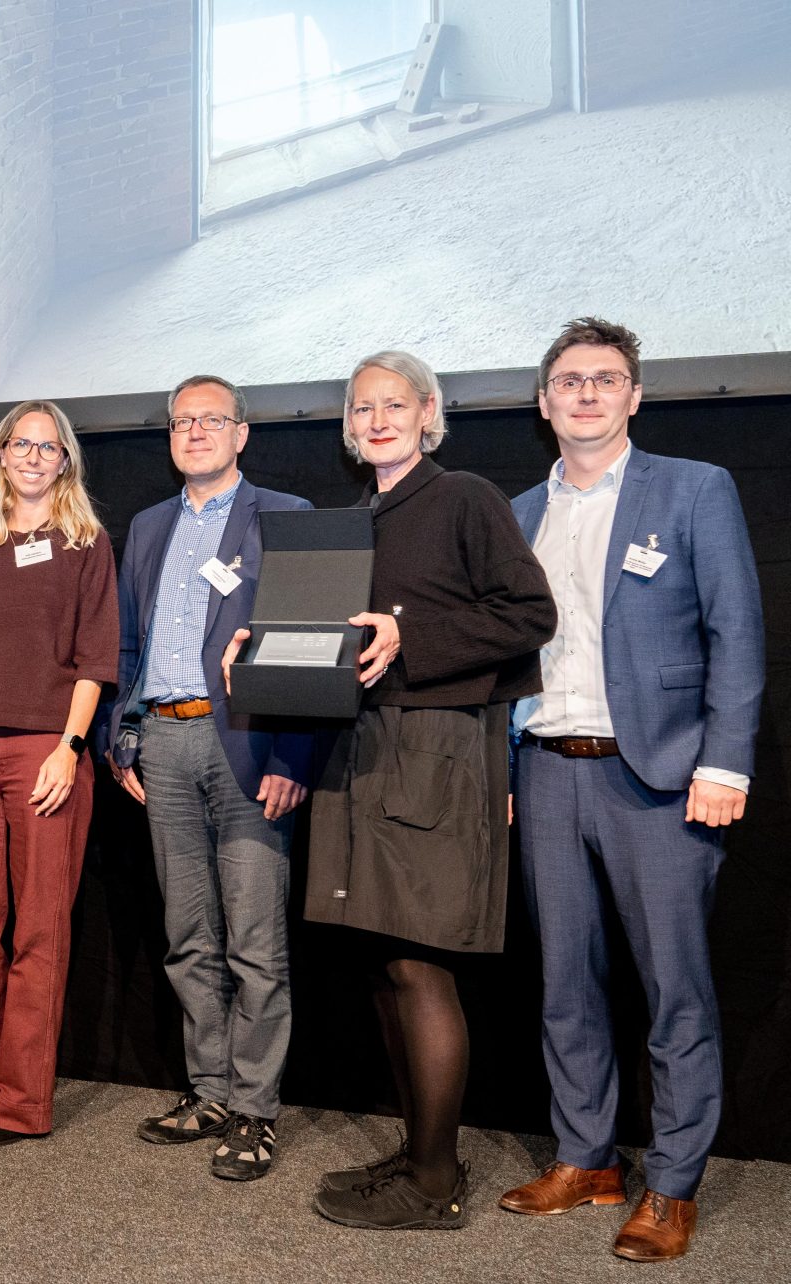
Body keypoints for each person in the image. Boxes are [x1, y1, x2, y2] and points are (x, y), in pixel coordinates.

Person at [228, 350, 555, 1230]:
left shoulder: (466, 498)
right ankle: (419, 1153)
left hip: (437, 753)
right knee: (381, 963)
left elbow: (531, 615)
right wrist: (256, 651)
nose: (376, 420)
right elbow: (324, 638)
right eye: (362, 407)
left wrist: (406, 634)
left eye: (393, 405)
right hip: (359, 750)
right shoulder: (356, 518)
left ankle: (437, 1181)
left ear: (428, 411)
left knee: (419, 963)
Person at [500, 318, 763, 1262]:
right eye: (568, 381)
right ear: (542, 401)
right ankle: (587, 1158)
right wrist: (502, 766)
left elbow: (736, 633)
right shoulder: (518, 509)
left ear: (634, 396)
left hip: (658, 780)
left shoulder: (694, 490)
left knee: (674, 991)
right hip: (546, 770)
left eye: (605, 380)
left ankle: (673, 1185)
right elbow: (501, 653)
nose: (586, 394)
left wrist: (724, 763)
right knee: (566, 983)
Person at [106, 376, 311, 1180]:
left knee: (256, 946)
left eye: (210, 420)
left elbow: (304, 644)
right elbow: (128, 643)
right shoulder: (150, 525)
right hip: (164, 740)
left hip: (251, 750)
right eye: (181, 422)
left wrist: (294, 757)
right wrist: (121, 740)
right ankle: (212, 1092)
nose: (194, 432)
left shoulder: (284, 518)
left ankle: (257, 1113)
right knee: (189, 940)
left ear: (242, 433)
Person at [0, 400, 116, 1147]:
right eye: (19, 444)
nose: (33, 456)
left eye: (47, 446)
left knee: (39, 931)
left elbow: (98, 657)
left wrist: (69, 748)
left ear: (64, 461)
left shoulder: (87, 544)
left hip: (46, 753)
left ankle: (20, 1102)